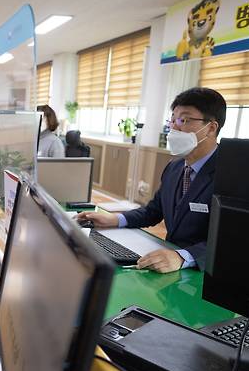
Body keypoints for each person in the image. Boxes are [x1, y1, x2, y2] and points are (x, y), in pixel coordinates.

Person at [78, 87, 225, 273]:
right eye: (172, 120)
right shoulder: (175, 167)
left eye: (184, 120)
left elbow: (230, 240)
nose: (174, 127)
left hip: (203, 272)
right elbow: (153, 211)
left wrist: (184, 256)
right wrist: (115, 219)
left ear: (211, 128)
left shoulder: (230, 174)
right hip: (169, 264)